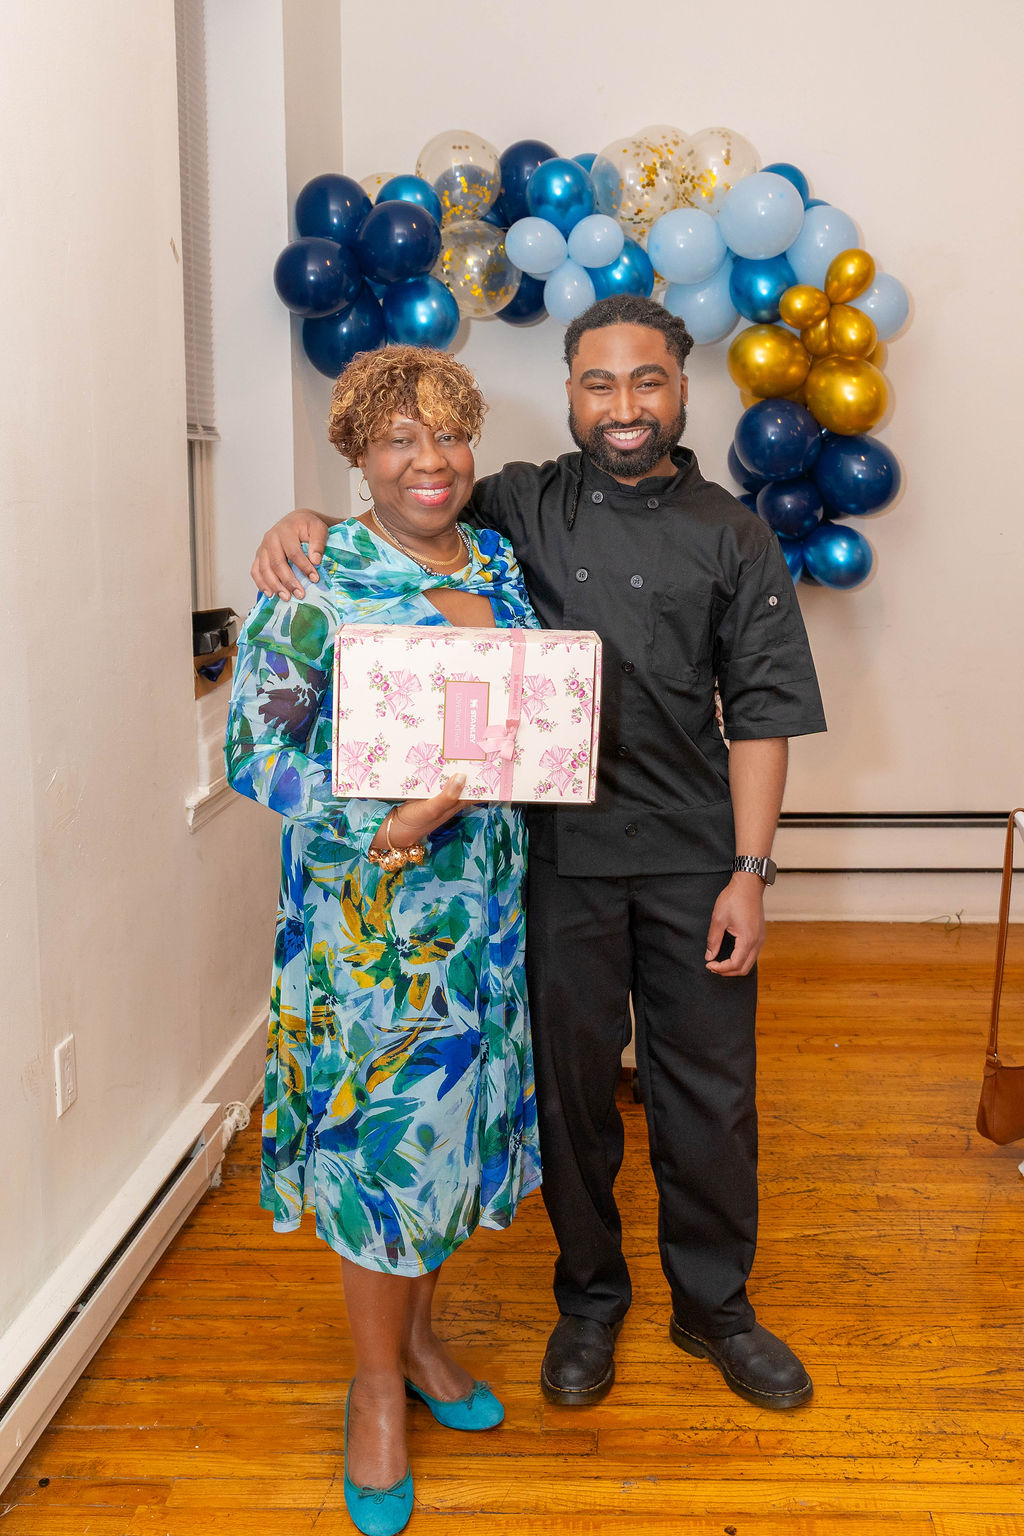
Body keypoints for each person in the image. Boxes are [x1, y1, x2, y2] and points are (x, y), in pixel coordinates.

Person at [251, 294, 827, 1417]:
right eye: (599, 383)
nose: (624, 405)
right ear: (569, 391)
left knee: (709, 1094)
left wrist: (750, 873)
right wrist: (300, 520)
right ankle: (589, 1302)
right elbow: (398, 503)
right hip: (551, 862)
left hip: (693, 854)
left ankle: (716, 1309)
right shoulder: (519, 505)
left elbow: (762, 712)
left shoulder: (735, 532)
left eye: (647, 381)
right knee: (568, 1101)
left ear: (681, 389)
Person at [226, 344, 542, 1536]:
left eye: (448, 433)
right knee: (384, 1154)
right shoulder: (316, 574)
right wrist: (386, 821)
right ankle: (372, 1389)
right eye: (398, 438)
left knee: (447, 1142)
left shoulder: (496, 561)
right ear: (356, 454)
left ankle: (417, 1342)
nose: (429, 459)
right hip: (372, 932)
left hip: (483, 919)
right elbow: (256, 753)